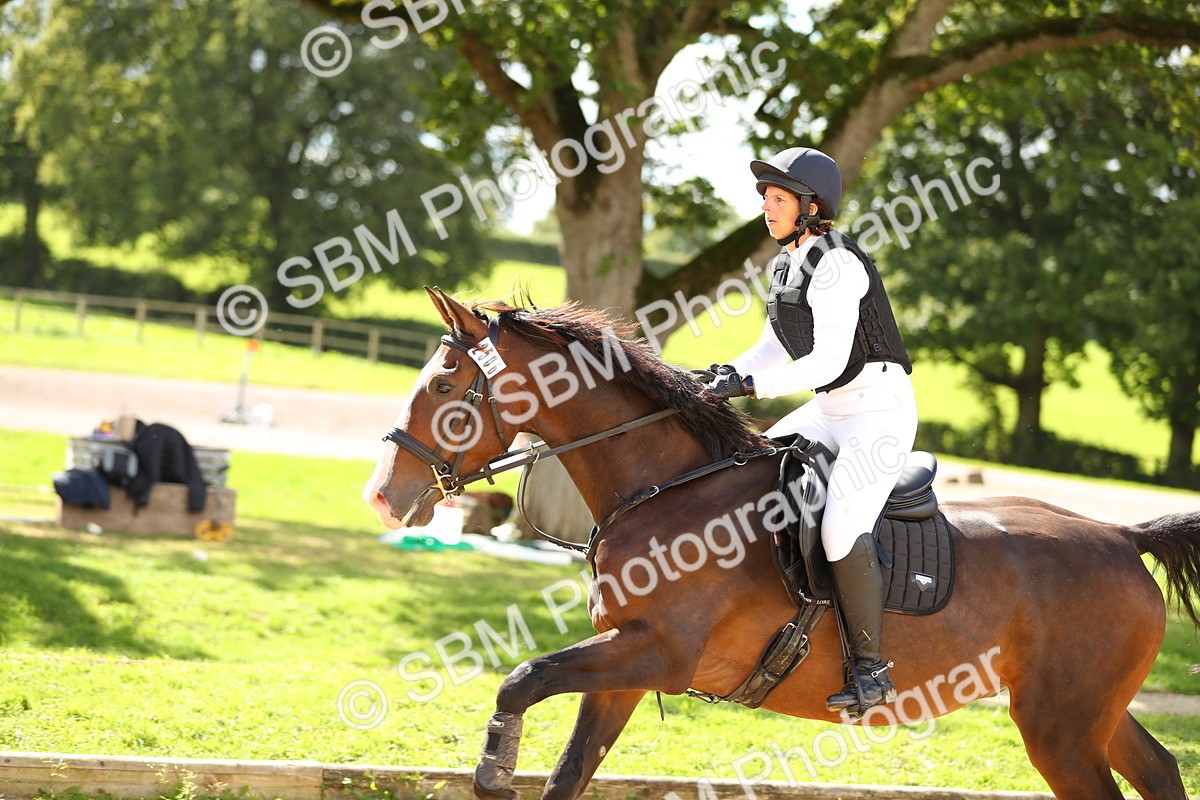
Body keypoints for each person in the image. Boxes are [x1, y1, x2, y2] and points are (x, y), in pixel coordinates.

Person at [705, 147, 917, 714]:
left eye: (778, 200)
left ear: (811, 207)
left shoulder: (839, 263)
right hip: (831, 410)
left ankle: (872, 672)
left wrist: (750, 388)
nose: (768, 210)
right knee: (748, 469)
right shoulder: (785, 264)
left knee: (841, 525)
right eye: (766, 200)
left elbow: (825, 362)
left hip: (878, 413)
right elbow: (775, 345)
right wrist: (729, 371)